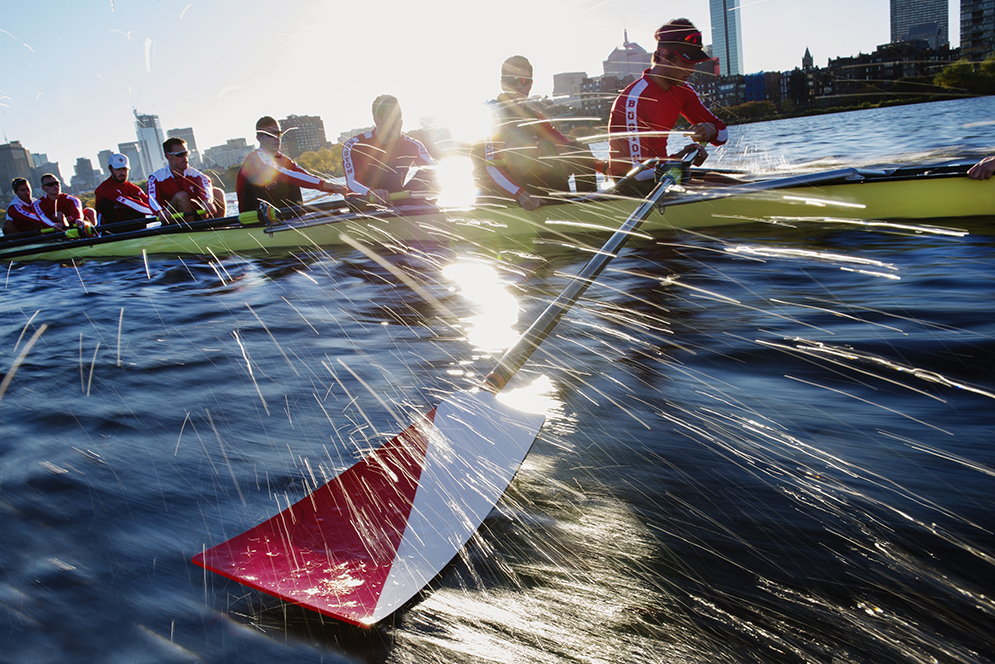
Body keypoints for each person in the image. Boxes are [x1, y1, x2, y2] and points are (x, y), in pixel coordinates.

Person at [607, 18, 728, 188]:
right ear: (663, 55)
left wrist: (710, 129)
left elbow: (722, 135)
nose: (691, 70)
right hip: (632, 184)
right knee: (728, 190)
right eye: (686, 62)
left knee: (740, 184)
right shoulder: (634, 100)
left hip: (665, 173)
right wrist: (680, 157)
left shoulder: (682, 91)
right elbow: (639, 173)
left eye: (694, 63)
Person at [476, 55, 598, 211]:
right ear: (502, 84)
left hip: (531, 185)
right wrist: (520, 194)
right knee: (535, 152)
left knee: (579, 148)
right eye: (512, 80)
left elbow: (567, 147)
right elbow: (491, 168)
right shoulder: (493, 116)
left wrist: (606, 167)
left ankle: (587, 207)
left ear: (530, 84)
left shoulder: (534, 116)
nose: (519, 86)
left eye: (524, 81)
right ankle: (566, 211)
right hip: (504, 194)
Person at [237, 116, 349, 213]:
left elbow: (303, 175)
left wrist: (334, 188)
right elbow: (284, 174)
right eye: (271, 135)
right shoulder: (255, 158)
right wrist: (330, 186)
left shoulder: (282, 159)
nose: (277, 138)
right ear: (259, 138)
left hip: (278, 213)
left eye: (278, 134)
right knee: (286, 177)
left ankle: (297, 218)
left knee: (293, 177)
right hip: (253, 219)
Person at [342, 95, 436, 206]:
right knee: (389, 168)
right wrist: (372, 191)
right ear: (377, 120)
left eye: (400, 116)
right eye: (392, 118)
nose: (398, 122)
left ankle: (416, 211)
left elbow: (435, 169)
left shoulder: (413, 144)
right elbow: (352, 182)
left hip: (398, 201)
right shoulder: (354, 145)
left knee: (431, 173)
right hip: (366, 205)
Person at [147, 137, 225, 222]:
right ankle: (190, 230)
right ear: (168, 156)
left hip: (193, 213)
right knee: (182, 196)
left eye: (186, 154)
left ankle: (221, 226)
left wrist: (208, 201)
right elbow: (152, 199)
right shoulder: (156, 178)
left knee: (217, 192)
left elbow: (206, 185)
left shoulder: (195, 174)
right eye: (179, 155)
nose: (185, 158)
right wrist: (160, 211)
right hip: (171, 218)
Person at [94, 153, 154, 224]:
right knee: (106, 204)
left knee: (137, 199)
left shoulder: (132, 188)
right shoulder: (105, 188)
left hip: (130, 227)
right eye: (118, 169)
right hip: (109, 230)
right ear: (110, 169)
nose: (122, 172)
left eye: (124, 169)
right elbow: (129, 202)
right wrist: (155, 212)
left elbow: (149, 201)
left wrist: (164, 210)